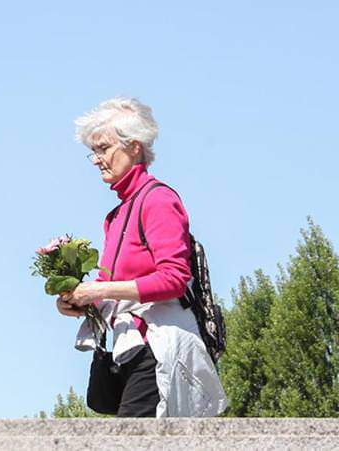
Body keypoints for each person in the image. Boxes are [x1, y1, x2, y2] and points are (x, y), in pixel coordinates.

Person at [57, 97, 226, 417]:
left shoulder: (158, 200)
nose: (96, 159)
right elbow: (110, 290)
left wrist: (99, 290)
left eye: (103, 148)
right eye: (93, 151)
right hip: (126, 352)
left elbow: (174, 279)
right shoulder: (116, 216)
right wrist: (78, 302)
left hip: (158, 350)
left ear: (134, 146)